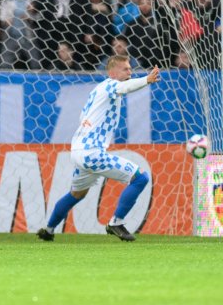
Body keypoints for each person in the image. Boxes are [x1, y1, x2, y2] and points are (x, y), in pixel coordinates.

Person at [38, 57, 158, 242]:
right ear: (112, 73)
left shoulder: (97, 91)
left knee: (77, 194)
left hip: (78, 152)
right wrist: (146, 80)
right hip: (91, 153)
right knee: (140, 178)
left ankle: (48, 229)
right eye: (125, 69)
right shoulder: (111, 85)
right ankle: (116, 222)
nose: (130, 73)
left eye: (130, 69)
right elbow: (124, 87)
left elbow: (83, 116)